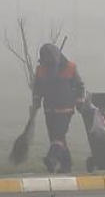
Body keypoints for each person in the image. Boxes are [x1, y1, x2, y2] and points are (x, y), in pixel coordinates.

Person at [32, 43, 85, 173]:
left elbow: (80, 86)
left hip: (65, 109)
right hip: (49, 108)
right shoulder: (40, 69)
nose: (47, 63)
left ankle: (51, 158)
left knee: (58, 136)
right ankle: (67, 165)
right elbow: (37, 87)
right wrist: (36, 100)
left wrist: (79, 102)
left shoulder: (70, 67)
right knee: (56, 138)